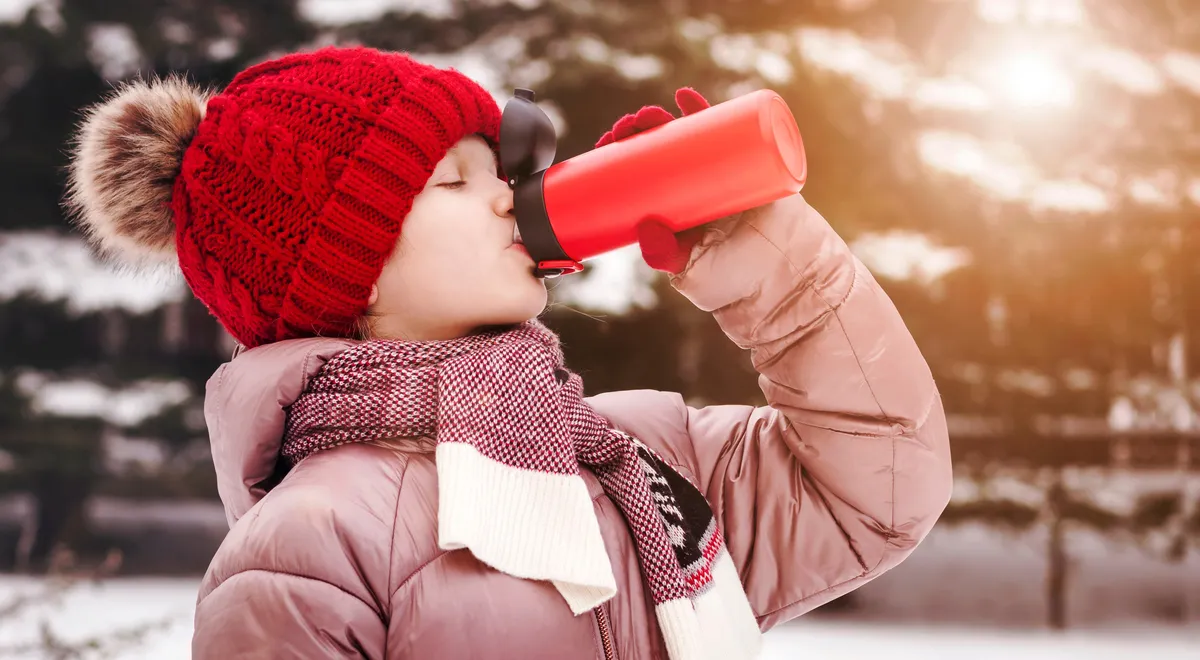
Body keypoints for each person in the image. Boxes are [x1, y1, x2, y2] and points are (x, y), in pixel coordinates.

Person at [65, 45, 951, 660]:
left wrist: (773, 268)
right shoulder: (310, 547)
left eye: (498, 169)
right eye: (453, 181)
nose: (504, 198)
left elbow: (872, 493)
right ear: (348, 276)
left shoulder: (636, 458)